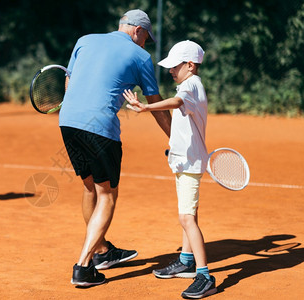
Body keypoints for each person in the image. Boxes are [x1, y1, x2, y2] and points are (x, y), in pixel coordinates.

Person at [59, 9, 172, 287]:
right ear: (138, 31)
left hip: (67, 121)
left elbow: (69, 80)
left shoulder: (85, 40)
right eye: (146, 38)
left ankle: (101, 251)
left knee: (89, 187)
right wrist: (174, 137)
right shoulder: (141, 56)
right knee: (107, 194)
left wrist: (75, 107)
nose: (146, 44)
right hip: (101, 130)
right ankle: (83, 266)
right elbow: (154, 101)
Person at [123, 40, 217, 298]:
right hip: (182, 160)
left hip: (190, 163)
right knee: (190, 215)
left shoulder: (191, 85)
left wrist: (146, 107)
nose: (170, 70)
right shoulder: (186, 84)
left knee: (186, 218)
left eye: (174, 66)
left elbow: (176, 103)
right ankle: (187, 261)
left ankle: (205, 276)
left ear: (190, 65)